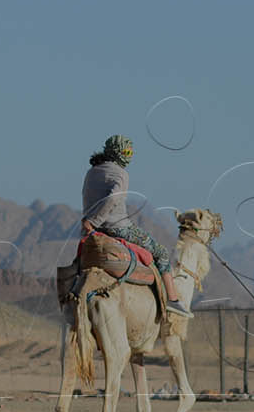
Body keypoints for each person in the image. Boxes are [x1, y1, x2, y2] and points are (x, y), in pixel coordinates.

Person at [81, 135, 191, 317]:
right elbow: (114, 198)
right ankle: (172, 300)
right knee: (161, 253)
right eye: (126, 152)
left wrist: (90, 222)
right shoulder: (121, 174)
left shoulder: (91, 172)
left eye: (130, 152)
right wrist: (94, 220)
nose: (129, 156)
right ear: (118, 152)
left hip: (93, 231)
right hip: (119, 228)